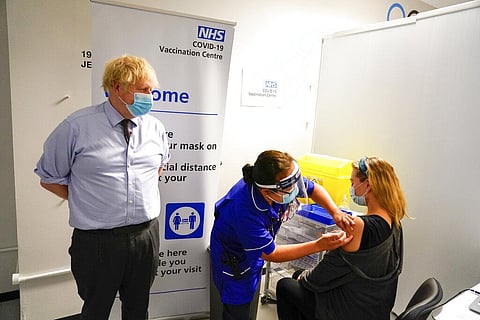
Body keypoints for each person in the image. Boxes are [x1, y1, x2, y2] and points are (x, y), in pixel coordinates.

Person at [34, 54, 171, 319]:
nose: (150, 96)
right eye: (144, 89)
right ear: (117, 87)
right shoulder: (76, 127)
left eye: (152, 90)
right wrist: (89, 201)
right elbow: (48, 177)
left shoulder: (155, 128)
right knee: (95, 310)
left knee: (138, 307)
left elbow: (158, 167)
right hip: (98, 243)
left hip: (145, 237)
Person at [209, 150, 354, 320]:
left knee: (249, 302)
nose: (295, 191)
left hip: (252, 253)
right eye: (289, 189)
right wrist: (318, 245)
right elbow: (271, 253)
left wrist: (335, 213)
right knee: (237, 309)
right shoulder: (244, 209)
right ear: (266, 192)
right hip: (234, 261)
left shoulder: (284, 182)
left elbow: (313, 189)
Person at [276, 156, 407, 320]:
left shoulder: (359, 226)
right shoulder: (394, 220)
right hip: (375, 307)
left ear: (368, 184)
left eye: (353, 182)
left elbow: (321, 276)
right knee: (300, 278)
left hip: (349, 311)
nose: (351, 188)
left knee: (286, 285)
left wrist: (304, 275)